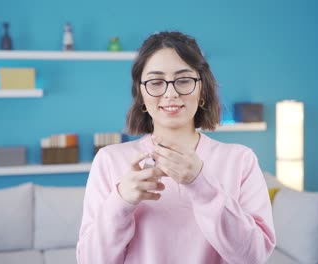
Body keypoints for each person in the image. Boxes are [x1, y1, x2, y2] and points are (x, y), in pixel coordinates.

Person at [76, 31, 276, 264]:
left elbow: (254, 257)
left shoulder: (241, 160)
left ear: (202, 89)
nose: (170, 94)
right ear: (141, 94)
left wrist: (200, 183)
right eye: (156, 82)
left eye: (183, 80)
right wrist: (121, 201)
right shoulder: (109, 161)